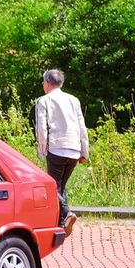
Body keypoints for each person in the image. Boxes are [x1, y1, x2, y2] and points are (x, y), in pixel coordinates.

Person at [35, 69, 89, 237]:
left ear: (48, 83)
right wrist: (84, 151)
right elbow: (82, 127)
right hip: (73, 149)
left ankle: (67, 213)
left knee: (52, 186)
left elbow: (42, 129)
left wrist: (42, 150)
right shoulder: (73, 100)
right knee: (60, 186)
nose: (43, 85)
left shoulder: (43, 101)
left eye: (43, 82)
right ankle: (61, 224)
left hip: (57, 148)